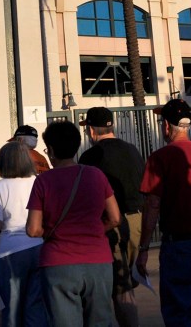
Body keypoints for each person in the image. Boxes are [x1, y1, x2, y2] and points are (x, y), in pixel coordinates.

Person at [136, 99, 191, 327]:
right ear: (189, 126)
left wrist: (144, 248)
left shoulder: (159, 158)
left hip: (178, 245)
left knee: (178, 311)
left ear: (166, 125)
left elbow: (153, 205)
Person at [26, 120, 120, 326]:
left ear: (50, 150)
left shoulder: (43, 181)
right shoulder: (96, 175)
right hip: (99, 261)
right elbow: (114, 218)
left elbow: (33, 229)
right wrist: (95, 229)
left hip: (58, 262)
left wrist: (50, 232)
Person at [78, 106, 145, 327]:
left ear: (90, 130)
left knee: (120, 287)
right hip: (138, 220)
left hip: (111, 224)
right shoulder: (132, 150)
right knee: (125, 280)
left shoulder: (91, 156)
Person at [0, 142, 49, 327]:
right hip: (39, 247)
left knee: (12, 310)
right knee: (36, 307)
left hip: (9, 253)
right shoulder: (39, 182)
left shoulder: (0, 187)